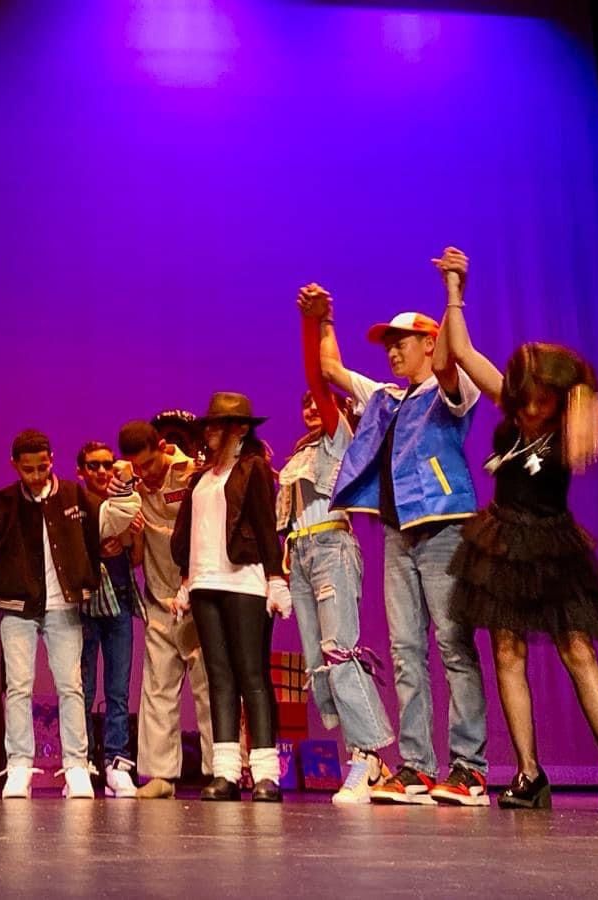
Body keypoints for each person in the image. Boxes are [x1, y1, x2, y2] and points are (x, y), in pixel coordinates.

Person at [431, 249, 598, 812]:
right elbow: (462, 352)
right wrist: (455, 290)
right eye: (525, 398)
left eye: (541, 400)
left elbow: (589, 433)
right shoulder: (510, 402)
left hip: (550, 542)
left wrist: (582, 399)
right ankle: (528, 773)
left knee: (577, 649)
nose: (529, 408)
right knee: (507, 651)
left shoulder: (572, 425)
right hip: (502, 540)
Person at [310, 249, 489, 806]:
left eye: (401, 342)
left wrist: (453, 292)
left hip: (444, 528)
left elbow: (451, 362)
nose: (391, 351)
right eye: (387, 344)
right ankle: (417, 766)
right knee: (407, 650)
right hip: (397, 534)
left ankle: (469, 767)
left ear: (429, 344)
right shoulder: (386, 398)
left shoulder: (453, 386)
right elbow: (332, 371)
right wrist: (325, 320)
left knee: (454, 645)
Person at [0, 429, 139, 799]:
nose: (37, 475)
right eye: (28, 469)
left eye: (42, 467)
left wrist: (125, 484)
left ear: (52, 460)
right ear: (15, 465)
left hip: (63, 606)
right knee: (19, 688)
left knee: (71, 686)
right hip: (18, 607)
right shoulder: (4, 502)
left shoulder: (75, 496)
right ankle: (19, 767)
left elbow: (114, 519)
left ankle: (76, 767)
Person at [280, 291, 395, 804]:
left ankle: (367, 756)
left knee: (339, 652)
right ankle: (368, 759)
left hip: (331, 549)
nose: (311, 406)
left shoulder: (339, 434)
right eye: (305, 404)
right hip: (302, 555)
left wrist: (315, 324)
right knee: (317, 662)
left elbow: (319, 375)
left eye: (317, 402)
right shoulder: (298, 454)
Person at [172, 392, 293, 802]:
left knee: (252, 675)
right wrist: (186, 581)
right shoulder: (200, 479)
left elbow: (265, 525)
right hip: (205, 583)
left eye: (217, 425)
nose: (209, 431)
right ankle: (225, 772)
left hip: (244, 581)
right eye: (208, 425)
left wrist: (275, 577)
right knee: (219, 677)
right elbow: (190, 535)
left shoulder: (252, 468)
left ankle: (265, 773)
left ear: (239, 429)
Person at [118, 419, 215, 798]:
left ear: (162, 447)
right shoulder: (131, 485)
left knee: (208, 687)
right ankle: (160, 775)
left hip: (198, 595)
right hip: (159, 598)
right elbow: (133, 550)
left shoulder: (193, 474)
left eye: (149, 464)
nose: (145, 473)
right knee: (157, 687)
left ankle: (219, 770)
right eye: (137, 467)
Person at [75, 440, 142, 797]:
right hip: (85, 604)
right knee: (82, 689)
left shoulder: (126, 502)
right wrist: (95, 546)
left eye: (107, 464)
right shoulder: (74, 505)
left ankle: (118, 762)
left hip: (119, 599)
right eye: (93, 465)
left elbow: (136, 559)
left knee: (118, 690)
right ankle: (83, 761)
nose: (102, 471)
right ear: (81, 471)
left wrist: (133, 537)